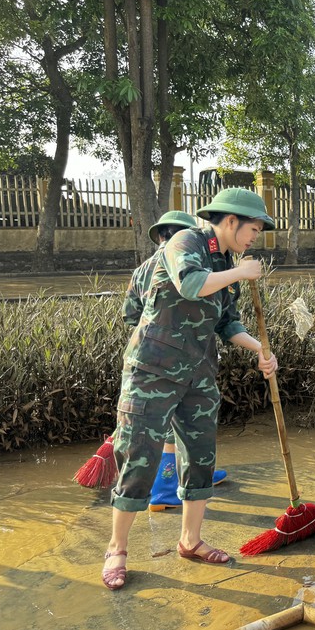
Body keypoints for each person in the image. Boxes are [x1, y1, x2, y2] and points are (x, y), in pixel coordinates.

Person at [102, 188, 278, 590]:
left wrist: (261, 350)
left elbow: (227, 323)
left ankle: (190, 540)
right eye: (253, 229)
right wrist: (240, 273)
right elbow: (190, 284)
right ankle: (117, 549)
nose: (255, 239)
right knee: (139, 458)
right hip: (153, 370)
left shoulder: (226, 261)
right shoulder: (187, 241)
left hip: (199, 373)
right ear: (230, 221)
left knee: (200, 455)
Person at [122, 210, 228, 511]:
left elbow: (130, 314)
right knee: (177, 428)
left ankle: (168, 484)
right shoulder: (194, 266)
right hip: (182, 362)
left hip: (149, 356)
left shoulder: (142, 269)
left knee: (157, 429)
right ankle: (167, 485)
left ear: (160, 235)